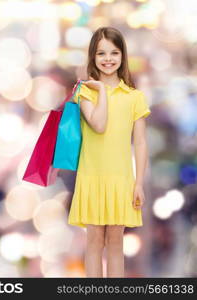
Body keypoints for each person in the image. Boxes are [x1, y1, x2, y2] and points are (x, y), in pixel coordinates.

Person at [68, 27, 151, 277]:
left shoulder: (134, 97)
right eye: (101, 53)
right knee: (94, 242)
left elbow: (141, 143)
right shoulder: (84, 91)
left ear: (123, 56)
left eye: (114, 52)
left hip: (121, 179)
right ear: (92, 56)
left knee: (116, 243)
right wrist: (101, 90)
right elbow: (99, 123)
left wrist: (139, 183)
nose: (108, 59)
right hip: (91, 176)